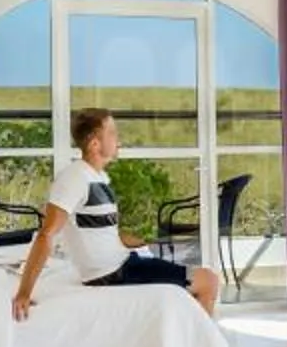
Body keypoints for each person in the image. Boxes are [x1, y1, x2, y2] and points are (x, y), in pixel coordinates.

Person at [12, 106, 223, 328]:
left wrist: (137, 241)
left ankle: (181, 339)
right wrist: (24, 293)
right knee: (208, 282)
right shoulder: (74, 178)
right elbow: (47, 234)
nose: (118, 139)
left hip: (122, 263)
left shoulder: (98, 178)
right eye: (112, 133)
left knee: (194, 278)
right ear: (94, 144)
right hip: (112, 273)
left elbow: (102, 230)